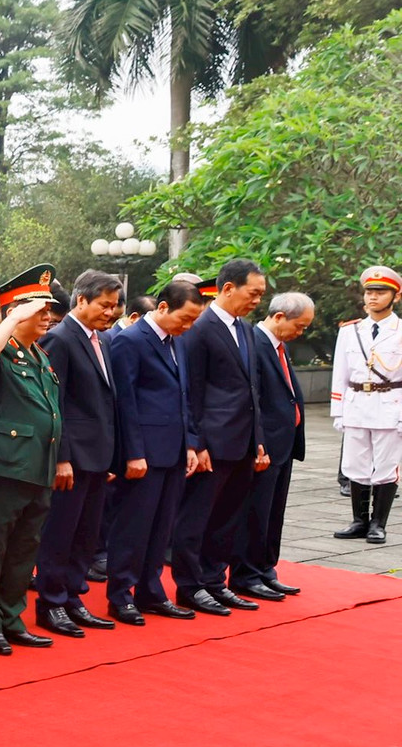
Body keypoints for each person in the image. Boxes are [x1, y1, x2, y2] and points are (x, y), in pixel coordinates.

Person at [0, 268, 63, 656]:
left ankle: (10, 616)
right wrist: (12, 320)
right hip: (1, 468)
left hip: (37, 467)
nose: (48, 316)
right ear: (13, 313)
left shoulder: (40, 354)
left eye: (48, 309)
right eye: (39, 310)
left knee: (24, 549)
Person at [104, 278, 207, 623]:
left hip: (173, 451)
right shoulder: (130, 341)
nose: (189, 326)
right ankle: (121, 595)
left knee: (161, 529)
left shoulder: (175, 342)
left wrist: (190, 443)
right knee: (132, 527)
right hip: (144, 453)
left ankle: (151, 592)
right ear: (163, 308)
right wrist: (133, 453)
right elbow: (126, 403)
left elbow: (183, 397)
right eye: (186, 318)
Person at [171, 258, 270, 613]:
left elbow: (251, 389)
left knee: (228, 518)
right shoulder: (200, 327)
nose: (257, 300)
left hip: (241, 441)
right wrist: (196, 443)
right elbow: (191, 390)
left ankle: (215, 580)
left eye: (261, 294)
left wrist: (257, 438)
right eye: (253, 293)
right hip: (212, 442)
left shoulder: (244, 328)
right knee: (197, 519)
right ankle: (190, 585)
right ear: (228, 288)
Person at [32, 269, 122, 637]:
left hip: (98, 457)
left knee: (86, 535)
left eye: (115, 306)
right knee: (60, 534)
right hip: (73, 458)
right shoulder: (61, 339)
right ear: (81, 300)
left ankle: (72, 598)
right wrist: (62, 457)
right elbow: (55, 404)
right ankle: (51, 604)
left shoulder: (100, 340)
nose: (111, 312)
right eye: (104, 304)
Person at [237, 293, 314, 599]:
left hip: (284, 442)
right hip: (265, 444)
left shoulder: (278, 346)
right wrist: (258, 443)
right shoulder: (255, 343)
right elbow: (252, 399)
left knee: (273, 513)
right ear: (279, 317)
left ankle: (266, 568)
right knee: (255, 512)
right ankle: (247, 574)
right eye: (300, 325)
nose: (301, 332)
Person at [332, 265, 402, 544]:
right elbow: (340, 373)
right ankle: (359, 521)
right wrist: (338, 410)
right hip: (357, 403)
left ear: (395, 297)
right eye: (369, 292)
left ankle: (378, 523)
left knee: (386, 465)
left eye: (380, 292)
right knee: (355, 465)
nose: (373, 297)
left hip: (390, 404)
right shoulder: (351, 331)